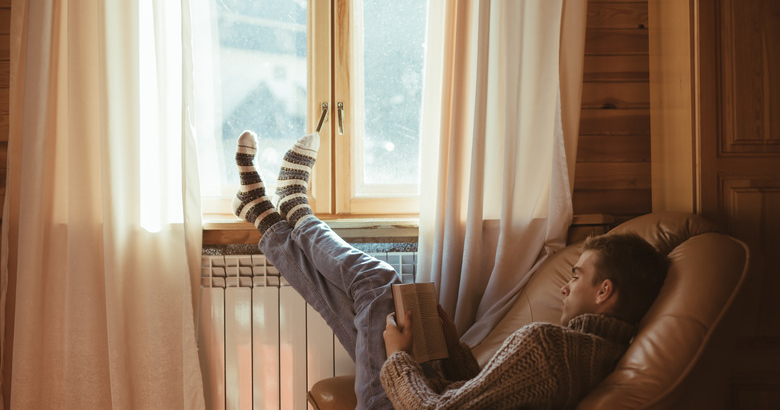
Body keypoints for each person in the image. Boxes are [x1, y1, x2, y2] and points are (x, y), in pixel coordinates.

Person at [232, 130, 670, 409]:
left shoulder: (551, 347)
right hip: (423, 390)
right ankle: (265, 216)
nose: (565, 287)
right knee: (366, 308)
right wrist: (447, 341)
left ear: (604, 290)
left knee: (377, 280)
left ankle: (293, 209)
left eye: (577, 276)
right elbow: (485, 392)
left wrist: (402, 358)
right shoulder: (594, 356)